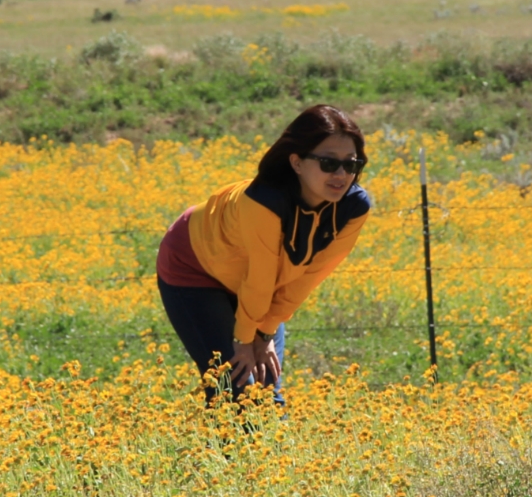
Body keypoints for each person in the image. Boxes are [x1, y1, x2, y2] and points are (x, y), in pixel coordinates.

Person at [155, 104, 372, 402]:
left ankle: (270, 449)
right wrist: (244, 339)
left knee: (267, 392)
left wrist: (264, 334)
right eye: (328, 163)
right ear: (297, 162)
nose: (341, 174)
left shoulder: (354, 207)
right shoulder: (264, 200)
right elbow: (261, 276)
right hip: (195, 267)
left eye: (351, 164)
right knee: (236, 388)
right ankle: (225, 449)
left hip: (256, 287)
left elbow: (307, 278)